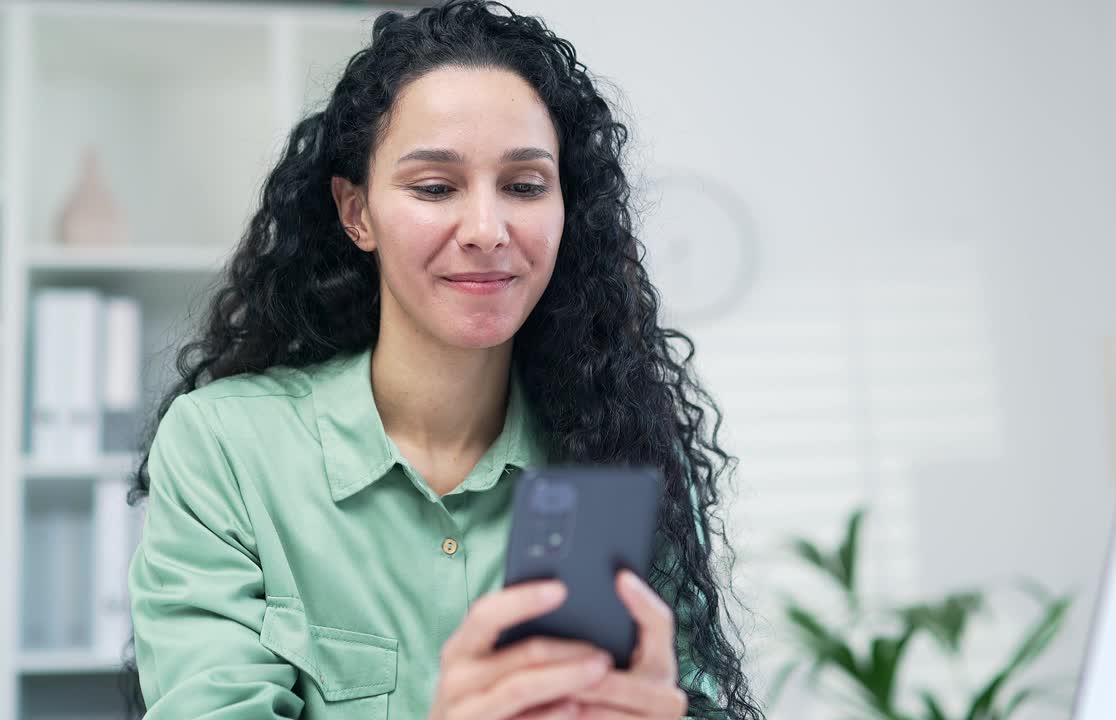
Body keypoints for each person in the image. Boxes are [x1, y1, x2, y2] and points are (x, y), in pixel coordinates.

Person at [121, 2, 764, 719]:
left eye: (524, 186)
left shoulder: (621, 443)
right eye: (435, 188)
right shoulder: (226, 447)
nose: (487, 230)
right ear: (355, 212)